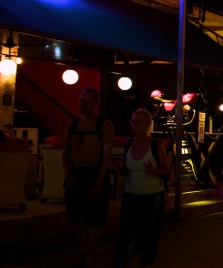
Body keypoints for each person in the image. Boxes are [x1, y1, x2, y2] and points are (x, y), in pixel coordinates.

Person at [63, 87, 115, 268]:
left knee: (93, 220)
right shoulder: (72, 124)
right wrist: (67, 173)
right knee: (74, 220)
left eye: (86, 101)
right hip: (76, 173)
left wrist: (99, 181)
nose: (82, 104)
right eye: (80, 100)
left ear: (95, 104)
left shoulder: (104, 124)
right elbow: (66, 151)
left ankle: (90, 256)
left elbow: (106, 155)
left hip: (95, 173)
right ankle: (82, 249)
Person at [113, 108, 169, 268]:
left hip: (152, 194)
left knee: (150, 230)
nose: (134, 124)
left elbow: (165, 169)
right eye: (132, 121)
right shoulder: (129, 144)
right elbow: (128, 167)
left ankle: (146, 259)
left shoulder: (155, 145)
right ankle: (122, 260)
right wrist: (120, 168)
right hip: (132, 192)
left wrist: (153, 171)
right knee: (127, 229)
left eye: (138, 121)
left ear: (147, 124)